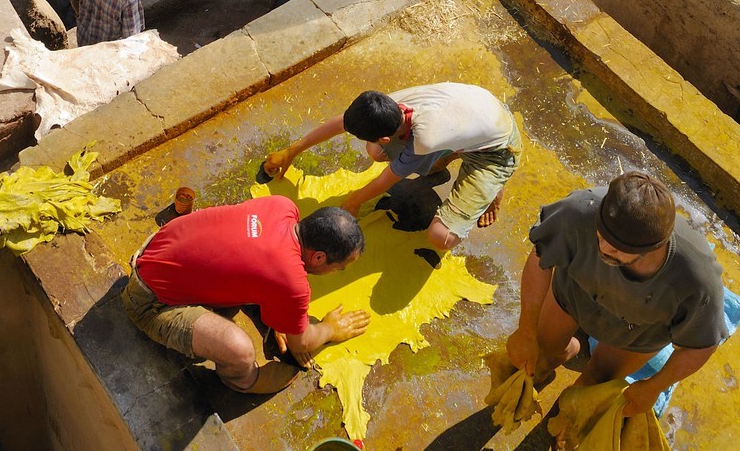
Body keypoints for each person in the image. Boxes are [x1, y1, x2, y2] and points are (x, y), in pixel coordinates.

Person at [507, 172, 727, 417]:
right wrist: (526, 331)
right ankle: (565, 350)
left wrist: (654, 387)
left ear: (654, 248)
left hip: (639, 330)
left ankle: (590, 378)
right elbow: (540, 257)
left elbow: (702, 345)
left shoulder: (698, 278)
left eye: (617, 249)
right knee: (540, 354)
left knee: (590, 391)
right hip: (576, 292)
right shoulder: (581, 208)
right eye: (601, 236)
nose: (603, 248)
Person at [123, 199, 369, 394]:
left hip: (154, 248)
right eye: (338, 268)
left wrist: (284, 314)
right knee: (239, 350)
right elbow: (301, 343)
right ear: (319, 257)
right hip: (149, 302)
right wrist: (330, 328)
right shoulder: (292, 282)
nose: (335, 273)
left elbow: (256, 258)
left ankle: (272, 315)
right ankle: (240, 379)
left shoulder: (282, 206)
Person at [264, 83, 522, 253]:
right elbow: (341, 123)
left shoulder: (425, 139)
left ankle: (495, 184)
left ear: (387, 137)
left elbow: (387, 179)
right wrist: (292, 151)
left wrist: (353, 202)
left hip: (496, 150)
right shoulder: (387, 105)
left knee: (441, 237)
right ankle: (453, 151)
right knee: (376, 152)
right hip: (474, 116)